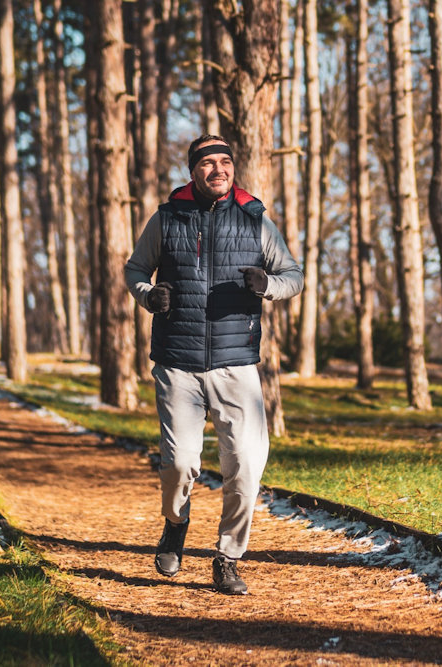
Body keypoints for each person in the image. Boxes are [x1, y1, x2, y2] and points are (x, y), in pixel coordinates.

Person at [125, 135, 303, 595]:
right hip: (177, 363)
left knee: (246, 462)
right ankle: (175, 524)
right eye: (208, 163)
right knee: (181, 463)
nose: (218, 169)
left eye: (225, 162)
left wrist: (267, 285)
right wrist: (149, 296)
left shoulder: (255, 219)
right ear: (193, 171)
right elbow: (135, 270)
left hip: (236, 363)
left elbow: (293, 276)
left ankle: (227, 556)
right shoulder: (166, 220)